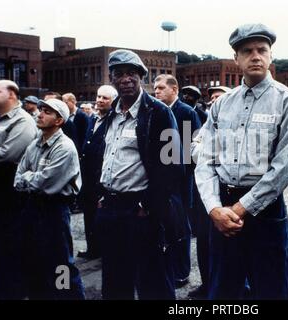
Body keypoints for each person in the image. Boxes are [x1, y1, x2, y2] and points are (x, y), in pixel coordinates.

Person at [195, 23, 288, 300]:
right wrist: (213, 208)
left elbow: (286, 168)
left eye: (262, 50)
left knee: (273, 290)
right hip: (223, 211)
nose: (255, 56)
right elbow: (206, 160)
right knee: (223, 291)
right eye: (247, 51)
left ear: (271, 56)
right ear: (236, 59)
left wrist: (240, 208)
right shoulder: (222, 104)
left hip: (264, 211)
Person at [97, 49, 185, 299]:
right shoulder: (110, 115)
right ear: (111, 79)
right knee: (114, 279)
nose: (126, 79)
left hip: (140, 210)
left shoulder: (159, 112)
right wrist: (101, 196)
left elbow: (173, 164)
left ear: (141, 77)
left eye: (132, 74)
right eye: (119, 74)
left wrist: (147, 204)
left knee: (153, 281)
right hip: (111, 208)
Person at [14, 98, 85, 299]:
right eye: (40, 110)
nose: (40, 114)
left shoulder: (65, 147)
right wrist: (30, 178)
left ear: (59, 120)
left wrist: (29, 177)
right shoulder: (35, 144)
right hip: (32, 207)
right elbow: (18, 177)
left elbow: (43, 183)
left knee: (60, 263)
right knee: (34, 259)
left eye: (47, 111)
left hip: (54, 209)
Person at [0, 80, 37, 299]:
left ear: (11, 95)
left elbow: (8, 155)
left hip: (10, 192)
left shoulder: (23, 121)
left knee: (10, 245)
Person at [154, 74, 201, 288]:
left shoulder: (186, 113)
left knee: (181, 227)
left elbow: (194, 150)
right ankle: (167, 268)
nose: (157, 92)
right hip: (160, 181)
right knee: (164, 227)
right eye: (155, 88)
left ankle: (181, 272)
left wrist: (180, 174)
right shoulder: (156, 111)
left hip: (181, 181)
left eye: (161, 88)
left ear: (174, 90)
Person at [189, 84, 231, 299]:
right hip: (206, 194)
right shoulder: (205, 124)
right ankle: (207, 285)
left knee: (230, 246)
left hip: (229, 194)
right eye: (213, 97)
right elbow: (194, 152)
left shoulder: (237, 126)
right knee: (204, 242)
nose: (215, 100)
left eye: (220, 97)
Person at [77, 85, 117, 259]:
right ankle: (93, 249)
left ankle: (105, 251)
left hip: (102, 177)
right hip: (88, 177)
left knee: (102, 217)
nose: (99, 100)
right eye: (98, 97)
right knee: (89, 214)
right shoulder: (93, 119)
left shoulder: (113, 121)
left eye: (105, 98)